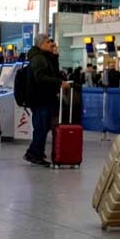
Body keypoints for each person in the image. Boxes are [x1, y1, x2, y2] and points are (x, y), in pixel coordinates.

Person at [23, 34, 70, 167]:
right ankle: (34, 154)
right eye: (49, 42)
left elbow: (53, 73)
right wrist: (59, 83)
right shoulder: (38, 59)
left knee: (43, 127)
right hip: (40, 99)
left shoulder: (44, 57)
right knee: (41, 128)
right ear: (42, 44)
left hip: (44, 98)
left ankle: (34, 152)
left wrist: (55, 55)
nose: (52, 44)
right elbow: (41, 78)